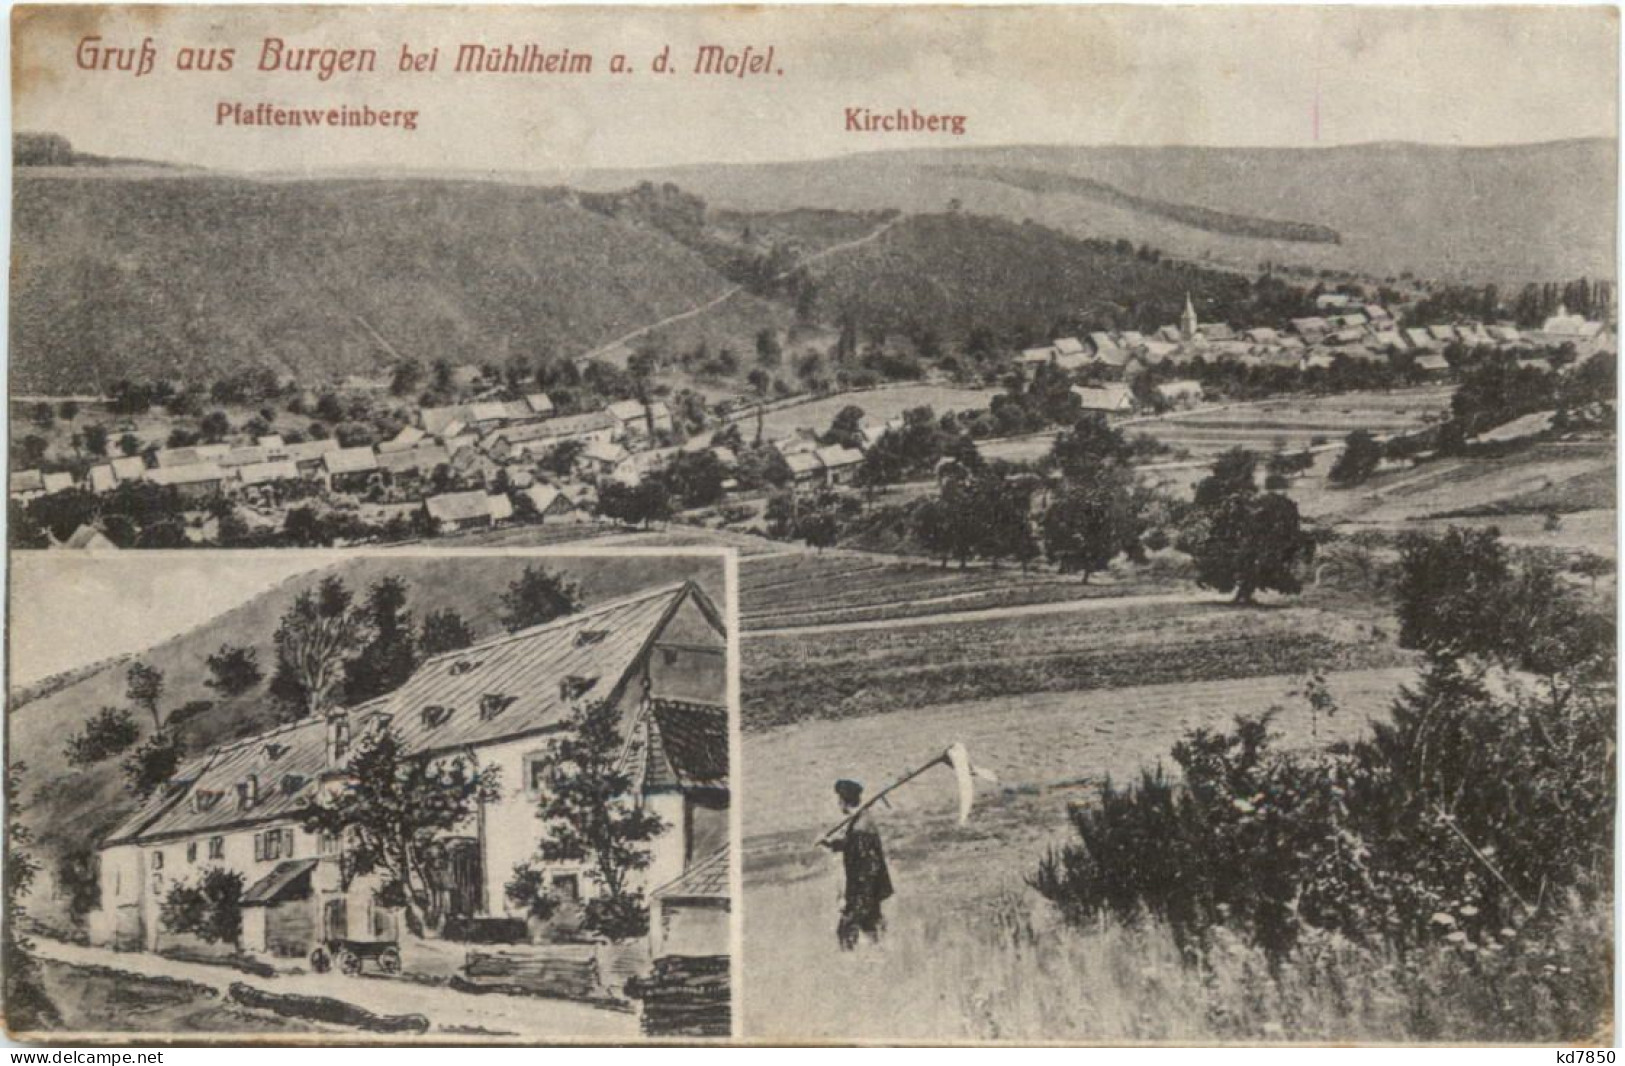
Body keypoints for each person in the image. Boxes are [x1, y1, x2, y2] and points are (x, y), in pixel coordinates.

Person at [819, 778, 893, 950]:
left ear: (844, 801)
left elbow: (866, 864)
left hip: (864, 890)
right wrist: (831, 844)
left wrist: (858, 898)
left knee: (845, 930)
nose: (838, 804)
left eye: (839, 800)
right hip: (870, 890)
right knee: (872, 931)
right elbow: (850, 845)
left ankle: (849, 969)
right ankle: (879, 963)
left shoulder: (861, 827)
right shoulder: (861, 820)